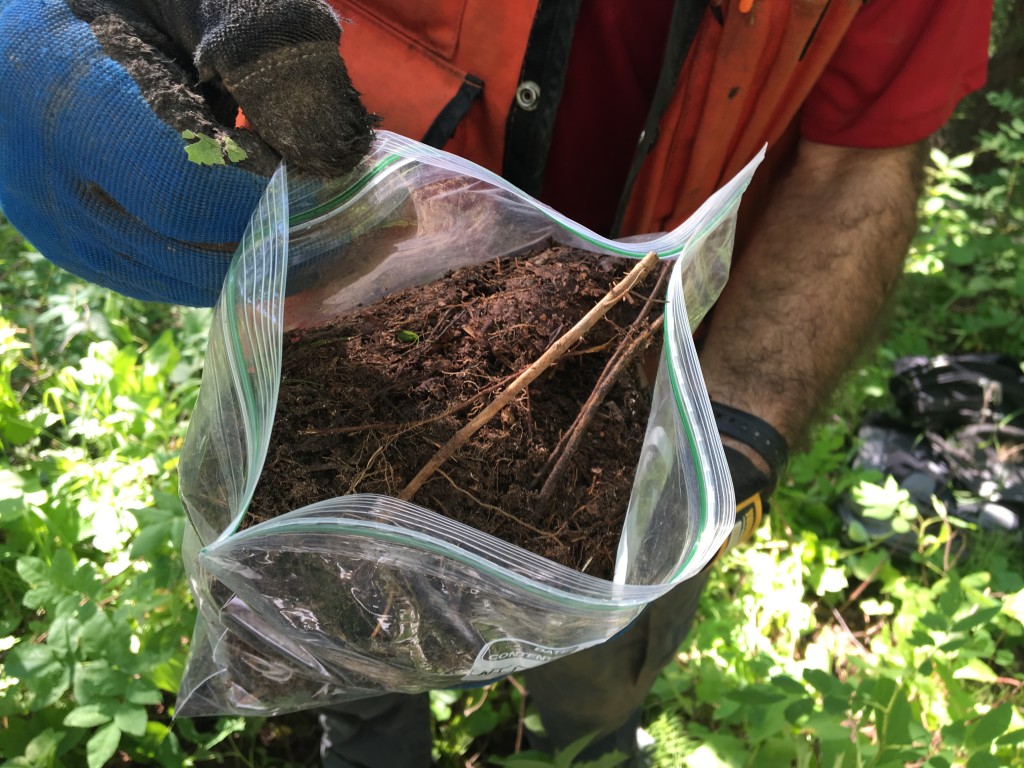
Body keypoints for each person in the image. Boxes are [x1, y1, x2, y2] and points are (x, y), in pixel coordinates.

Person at [0, 0, 993, 765]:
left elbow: (857, 162)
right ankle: (368, 736)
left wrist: (734, 441)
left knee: (597, 676)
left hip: (637, 408)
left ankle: (590, 739)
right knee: (336, 637)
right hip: (331, 335)